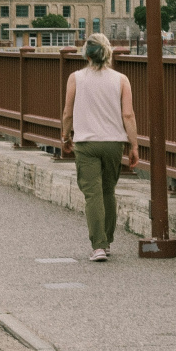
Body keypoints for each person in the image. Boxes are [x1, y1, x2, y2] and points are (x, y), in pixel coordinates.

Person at [61, 34, 138, 262]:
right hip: (114, 143)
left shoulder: (76, 78)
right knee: (107, 191)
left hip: (86, 143)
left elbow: (68, 112)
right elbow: (128, 114)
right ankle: (108, 240)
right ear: (108, 53)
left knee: (92, 194)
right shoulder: (121, 79)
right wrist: (134, 145)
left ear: (86, 54)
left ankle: (98, 246)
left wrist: (65, 136)